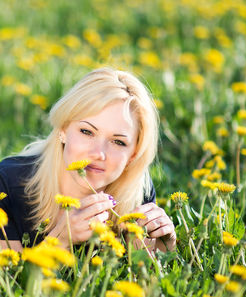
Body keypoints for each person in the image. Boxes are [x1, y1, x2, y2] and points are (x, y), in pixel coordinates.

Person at [0, 67, 176, 252]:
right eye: (87, 131)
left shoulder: (139, 192)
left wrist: (159, 254)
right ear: (63, 129)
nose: (98, 153)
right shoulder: (6, 185)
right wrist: (60, 241)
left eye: (118, 142)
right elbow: (12, 279)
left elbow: (144, 275)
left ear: (134, 154)